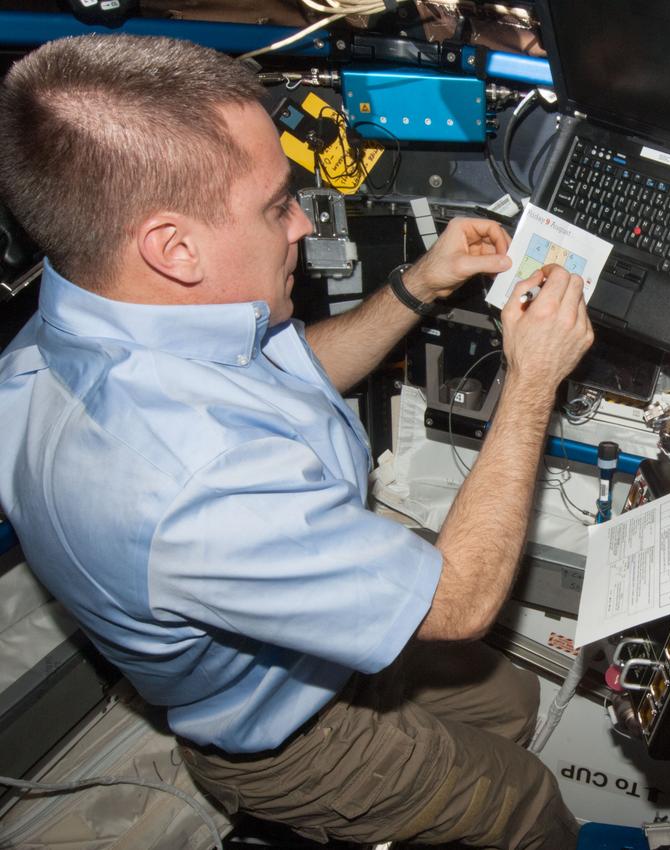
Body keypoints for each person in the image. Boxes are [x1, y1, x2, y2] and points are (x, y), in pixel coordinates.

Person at [0, 33, 593, 849]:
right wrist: (533, 382)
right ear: (174, 247)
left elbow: (286, 375)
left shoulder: (82, 321)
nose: (305, 222)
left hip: (309, 651)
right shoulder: (189, 483)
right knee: (524, 803)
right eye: (278, 204)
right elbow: (457, 604)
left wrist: (421, 282)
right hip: (292, 736)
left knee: (512, 701)